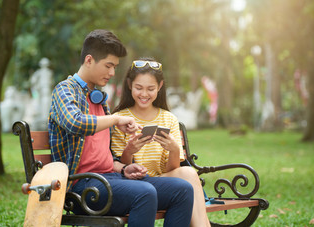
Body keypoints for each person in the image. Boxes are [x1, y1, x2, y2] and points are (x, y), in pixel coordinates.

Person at [48, 29, 193, 227]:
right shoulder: (64, 90)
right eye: (108, 66)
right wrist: (115, 120)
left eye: (115, 67)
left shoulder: (99, 99)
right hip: (81, 185)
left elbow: (102, 156)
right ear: (89, 60)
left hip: (112, 179)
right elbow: (76, 123)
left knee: (182, 189)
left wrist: (124, 168)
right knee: (145, 192)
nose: (112, 73)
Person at [111, 57, 211, 227]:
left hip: (163, 184)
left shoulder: (168, 119)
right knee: (187, 178)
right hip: (134, 186)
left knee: (188, 173)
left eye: (150, 89)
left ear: (160, 86)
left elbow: (173, 171)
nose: (144, 94)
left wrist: (173, 150)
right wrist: (129, 151)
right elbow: (122, 171)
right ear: (129, 85)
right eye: (139, 88)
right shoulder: (119, 119)